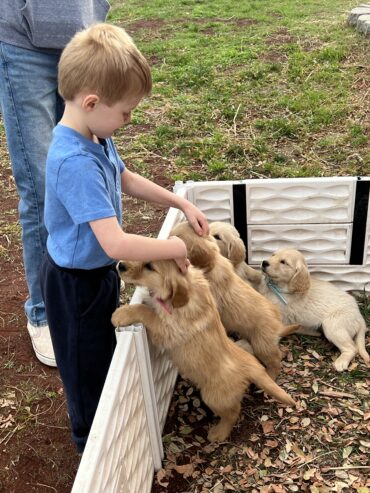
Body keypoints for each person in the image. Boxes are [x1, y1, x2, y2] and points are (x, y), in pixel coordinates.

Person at [40, 23, 209, 452]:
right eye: (127, 111)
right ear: (92, 101)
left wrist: (180, 202)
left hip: (96, 273)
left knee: (100, 351)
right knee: (84, 366)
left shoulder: (96, 133)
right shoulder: (73, 161)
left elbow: (125, 177)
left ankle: (104, 422)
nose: (129, 120)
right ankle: (92, 444)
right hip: (74, 284)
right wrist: (175, 246)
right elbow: (115, 244)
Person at [0, 1, 111, 367]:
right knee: (41, 188)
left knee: (100, 168)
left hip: (84, 40)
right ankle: (44, 311)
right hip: (20, 42)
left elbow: (121, 174)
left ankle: (93, 288)